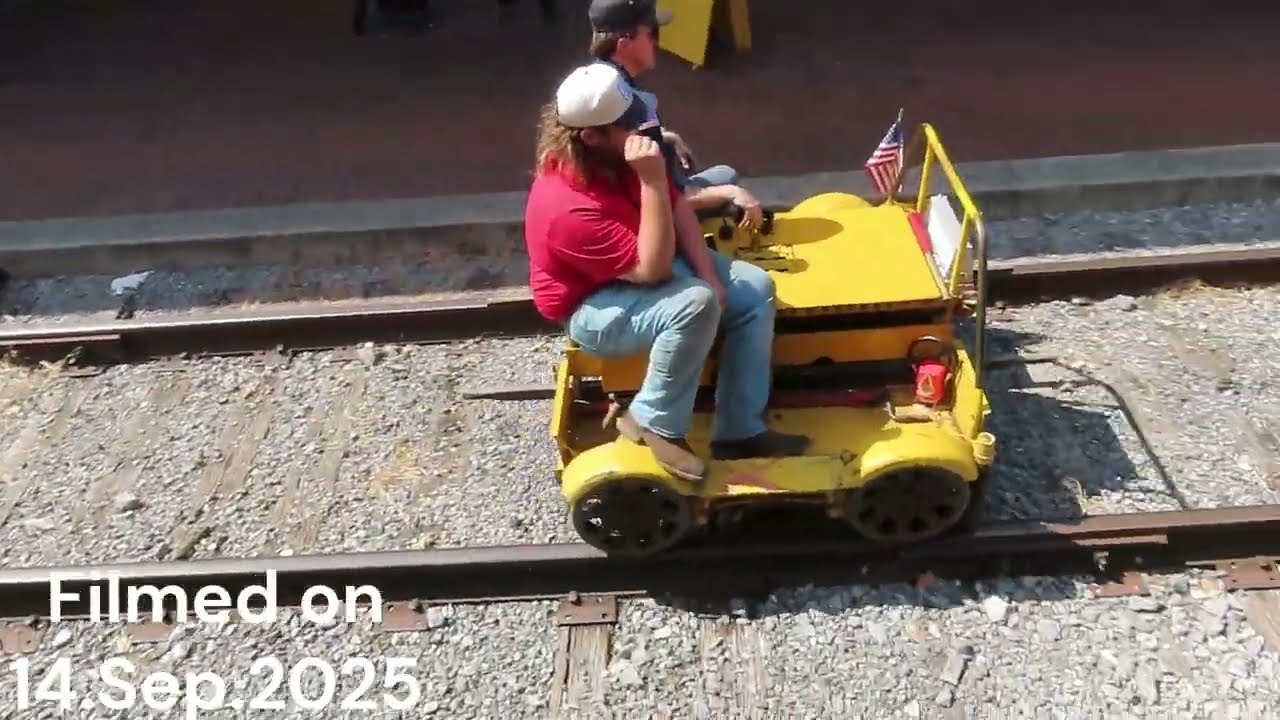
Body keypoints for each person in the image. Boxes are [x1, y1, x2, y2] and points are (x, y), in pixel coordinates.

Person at [523, 62, 811, 483]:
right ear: (590, 136)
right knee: (693, 305)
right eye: (629, 124)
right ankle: (653, 420)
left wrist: (712, 276)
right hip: (594, 301)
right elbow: (654, 270)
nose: (642, 130)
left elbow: (676, 207)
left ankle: (739, 430)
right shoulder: (565, 209)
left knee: (753, 287)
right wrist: (653, 182)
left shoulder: (614, 153)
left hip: (637, 262)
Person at [585, 0, 766, 229]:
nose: (658, 43)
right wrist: (730, 194)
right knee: (729, 183)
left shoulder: (602, 85)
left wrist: (666, 137)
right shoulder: (630, 106)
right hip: (651, 220)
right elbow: (664, 200)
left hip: (650, 195)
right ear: (624, 44)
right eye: (652, 33)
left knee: (724, 174)